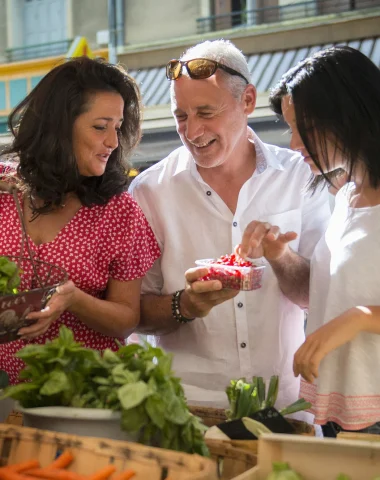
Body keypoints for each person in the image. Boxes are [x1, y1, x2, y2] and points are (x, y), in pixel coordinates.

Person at [129, 39, 331, 412]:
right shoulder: (149, 191)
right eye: (181, 116)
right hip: (186, 407)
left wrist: (281, 257)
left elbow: (318, 298)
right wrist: (185, 304)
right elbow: (133, 313)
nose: (192, 131)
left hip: (286, 403)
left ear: (248, 101)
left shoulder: (301, 175)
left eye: (206, 112)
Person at [242, 45, 380, 433]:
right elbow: (325, 297)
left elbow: (355, 312)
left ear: (351, 113)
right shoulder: (345, 198)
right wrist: (279, 254)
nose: (294, 144)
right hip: (343, 413)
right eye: (292, 129)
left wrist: (358, 318)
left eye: (307, 128)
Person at [0, 56, 161, 385]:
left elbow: (127, 319)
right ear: (58, 127)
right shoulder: (3, 187)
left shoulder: (120, 212)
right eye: (100, 127)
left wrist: (74, 300)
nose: (113, 143)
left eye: (117, 128)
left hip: (83, 394)